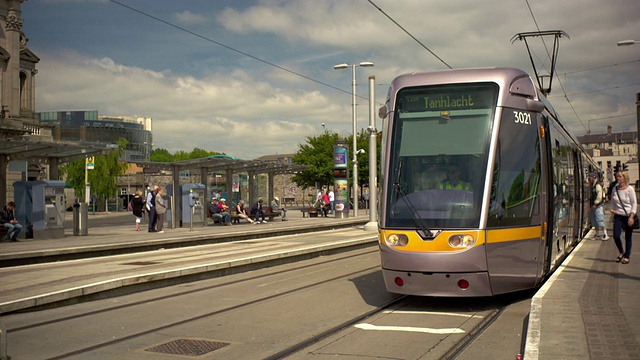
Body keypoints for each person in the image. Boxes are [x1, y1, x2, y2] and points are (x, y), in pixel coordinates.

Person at [609, 170, 637, 264]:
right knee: (616, 236)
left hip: (628, 216)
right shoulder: (615, 189)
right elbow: (613, 200)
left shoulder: (630, 189)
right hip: (618, 215)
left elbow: (634, 203)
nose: (618, 178)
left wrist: (632, 216)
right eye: (617, 176)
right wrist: (612, 208)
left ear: (624, 178)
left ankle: (627, 256)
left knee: (628, 236)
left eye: (620, 177)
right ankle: (621, 251)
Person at [589, 172, 609, 240]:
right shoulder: (593, 185)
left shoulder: (597, 186)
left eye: (590, 177)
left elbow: (599, 196)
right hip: (594, 206)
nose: (590, 179)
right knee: (594, 220)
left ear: (593, 177)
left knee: (600, 219)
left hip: (598, 206)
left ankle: (605, 234)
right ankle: (597, 234)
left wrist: (595, 203)